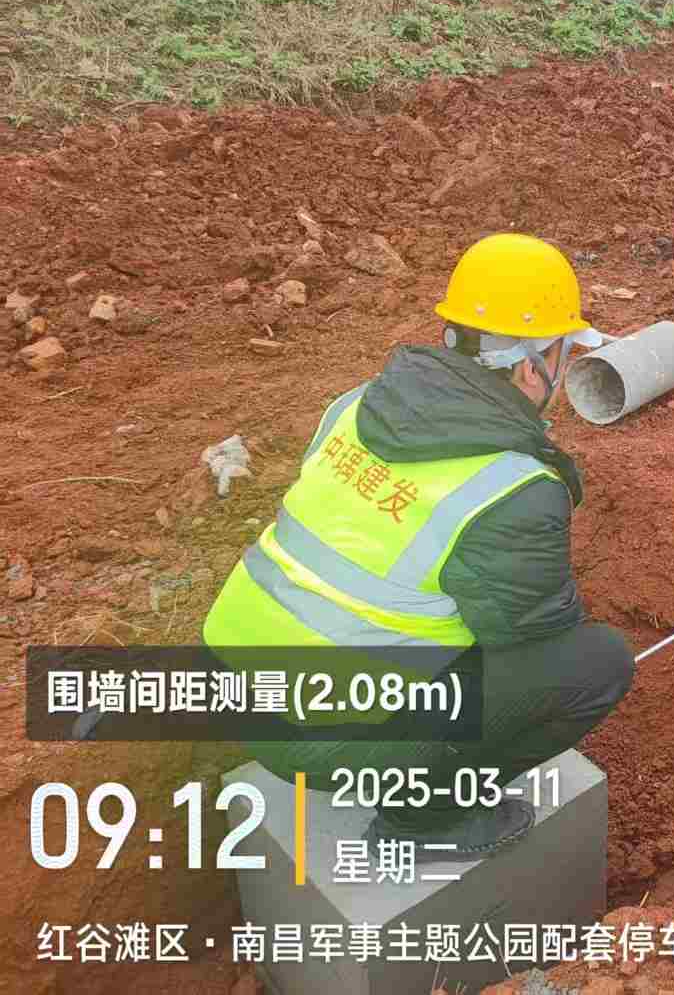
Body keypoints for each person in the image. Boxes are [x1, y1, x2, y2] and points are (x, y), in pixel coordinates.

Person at [202, 232, 634, 858]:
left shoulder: (358, 404)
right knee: (595, 663)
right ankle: (422, 817)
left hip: (227, 684)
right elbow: (533, 638)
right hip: (312, 739)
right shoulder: (510, 488)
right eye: (564, 353)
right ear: (528, 366)